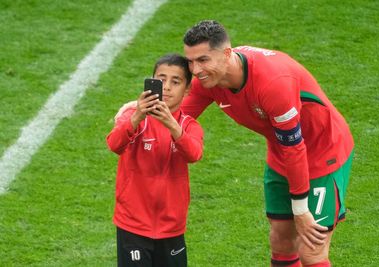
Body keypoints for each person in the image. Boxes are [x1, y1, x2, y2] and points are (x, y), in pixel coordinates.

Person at [116, 20, 354, 266]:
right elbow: (176, 116)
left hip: (324, 152)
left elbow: (295, 147)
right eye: (191, 61)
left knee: (312, 250)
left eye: (203, 60)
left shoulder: (273, 84)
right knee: (281, 239)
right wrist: (138, 110)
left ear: (227, 54)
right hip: (281, 153)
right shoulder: (209, 81)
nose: (195, 70)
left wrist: (301, 209)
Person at [106, 53, 204, 267]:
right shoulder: (134, 116)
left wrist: (172, 126)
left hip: (172, 226)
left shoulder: (189, 126)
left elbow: (194, 154)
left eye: (175, 81)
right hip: (133, 224)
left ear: (187, 89)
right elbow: (114, 144)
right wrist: (137, 116)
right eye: (161, 79)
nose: (167, 87)